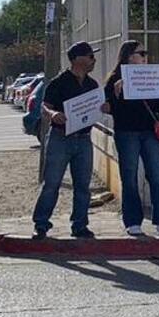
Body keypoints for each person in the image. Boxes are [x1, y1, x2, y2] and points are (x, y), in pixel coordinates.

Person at [32, 41, 109, 240]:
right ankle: (41, 224)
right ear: (77, 59)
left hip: (84, 139)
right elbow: (45, 107)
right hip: (60, 138)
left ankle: (80, 225)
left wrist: (104, 108)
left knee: (83, 185)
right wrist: (53, 113)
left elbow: (97, 107)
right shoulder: (58, 82)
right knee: (52, 183)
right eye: (90, 56)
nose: (94, 60)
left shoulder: (92, 84)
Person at [103, 40, 159, 237]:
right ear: (128, 57)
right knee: (130, 177)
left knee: (157, 175)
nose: (145, 57)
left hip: (149, 132)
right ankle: (133, 221)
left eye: (146, 53)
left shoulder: (150, 76)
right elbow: (108, 107)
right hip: (126, 133)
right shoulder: (115, 79)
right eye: (141, 53)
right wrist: (118, 93)